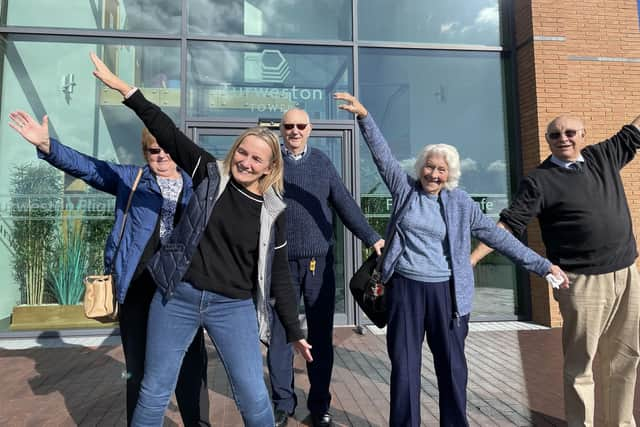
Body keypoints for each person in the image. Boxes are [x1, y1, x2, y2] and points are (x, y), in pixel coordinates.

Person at [89, 52, 313, 427]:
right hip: (178, 297)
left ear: (270, 166)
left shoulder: (274, 211)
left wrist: (293, 330)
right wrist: (126, 91)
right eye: (242, 152)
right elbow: (167, 131)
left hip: (234, 307)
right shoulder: (210, 175)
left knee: (254, 397)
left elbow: (280, 278)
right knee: (154, 390)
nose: (246, 161)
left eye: (257, 159)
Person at [334, 92, 569, 427]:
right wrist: (365, 118)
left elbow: (500, 238)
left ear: (451, 174)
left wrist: (543, 266)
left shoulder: (462, 204)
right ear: (420, 168)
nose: (433, 173)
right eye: (429, 166)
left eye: (441, 169)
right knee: (404, 366)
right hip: (405, 290)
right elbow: (383, 158)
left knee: (452, 368)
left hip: (447, 294)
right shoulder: (405, 191)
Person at [8, 112, 209, 426]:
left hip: (183, 288)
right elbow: (89, 168)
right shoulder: (132, 179)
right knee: (138, 370)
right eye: (154, 150)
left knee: (191, 366)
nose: (162, 156)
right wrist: (48, 145)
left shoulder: (198, 187)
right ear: (146, 153)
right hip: (139, 287)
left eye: (167, 149)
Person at [470, 114, 640, 426]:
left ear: (583, 134)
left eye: (570, 132)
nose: (563, 138)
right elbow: (508, 225)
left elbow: (635, 128)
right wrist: (472, 260)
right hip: (582, 283)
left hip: (627, 275)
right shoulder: (540, 181)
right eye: (555, 134)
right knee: (581, 366)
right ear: (548, 140)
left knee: (625, 359)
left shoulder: (604, 155)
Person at [267, 107, 384, 427]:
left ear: (310, 129)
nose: (294, 131)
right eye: (288, 126)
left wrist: (372, 237)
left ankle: (320, 406)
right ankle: (281, 403)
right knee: (281, 333)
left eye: (300, 126)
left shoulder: (321, 163)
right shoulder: (270, 163)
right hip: (280, 263)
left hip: (319, 263)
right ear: (281, 129)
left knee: (319, 336)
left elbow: (345, 203)